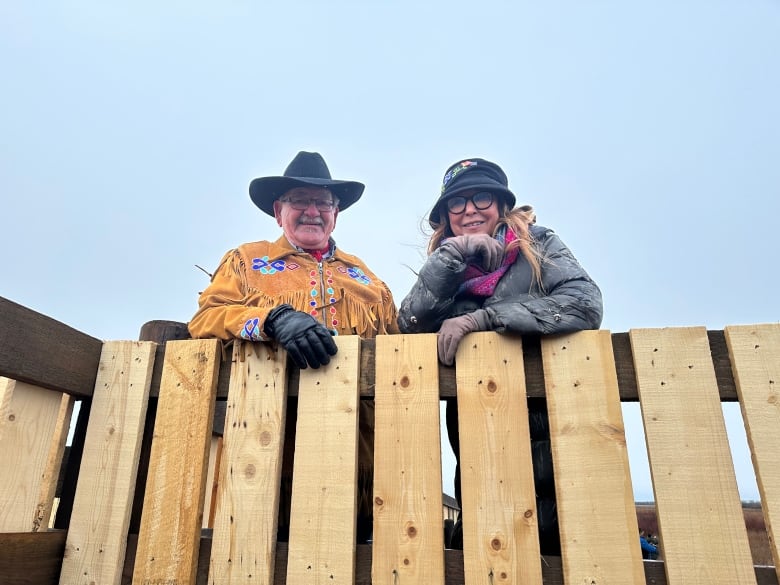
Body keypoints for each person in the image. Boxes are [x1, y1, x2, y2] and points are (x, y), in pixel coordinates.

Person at [189, 150, 400, 543]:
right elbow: (205, 320)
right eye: (300, 200)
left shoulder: (367, 277)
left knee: (352, 547)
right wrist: (272, 318)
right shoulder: (245, 262)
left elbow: (399, 347)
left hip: (358, 448)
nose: (312, 211)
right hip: (267, 443)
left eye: (323, 202)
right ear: (278, 210)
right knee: (263, 545)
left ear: (336, 213)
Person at [397, 157, 603, 554]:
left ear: (501, 205)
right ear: (446, 216)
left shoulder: (539, 244)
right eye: (457, 203)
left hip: (545, 410)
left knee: (552, 533)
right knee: (486, 536)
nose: (470, 209)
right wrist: (450, 257)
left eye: (481, 198)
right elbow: (410, 325)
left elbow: (584, 303)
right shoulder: (446, 262)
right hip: (474, 417)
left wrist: (484, 318)